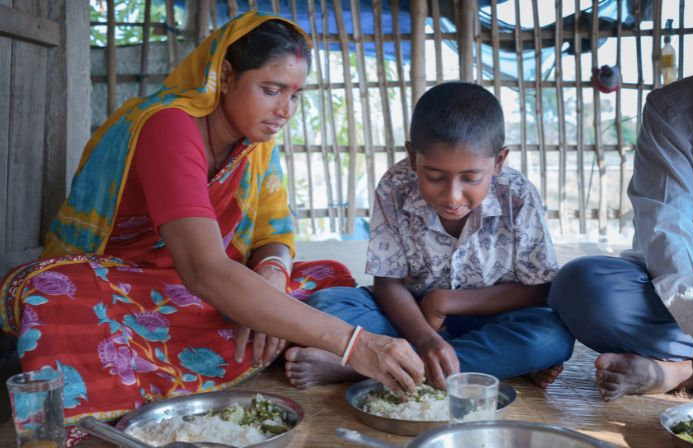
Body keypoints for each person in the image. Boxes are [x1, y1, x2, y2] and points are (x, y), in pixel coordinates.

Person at [0, 12, 424, 425]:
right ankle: (279, 348)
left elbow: (273, 232)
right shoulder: (168, 126)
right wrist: (354, 344)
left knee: (328, 278)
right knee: (54, 301)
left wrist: (270, 285)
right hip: (134, 283)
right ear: (224, 76)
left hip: (207, 286)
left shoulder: (256, 139)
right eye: (272, 89)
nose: (285, 110)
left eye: (294, 95)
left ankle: (263, 335)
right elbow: (204, 270)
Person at [285, 82, 574, 390]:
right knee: (324, 306)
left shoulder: (517, 195)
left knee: (551, 336)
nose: (452, 195)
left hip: (491, 315)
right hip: (409, 315)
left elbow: (540, 288)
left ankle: (367, 368)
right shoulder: (395, 186)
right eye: (434, 176)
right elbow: (388, 281)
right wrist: (424, 338)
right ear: (413, 157)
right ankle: (479, 363)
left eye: (471, 177)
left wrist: (445, 302)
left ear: (499, 161)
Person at [548, 73, 693, 401]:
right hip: (685, 302)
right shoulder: (675, 109)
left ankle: (681, 373)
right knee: (583, 286)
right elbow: (667, 227)